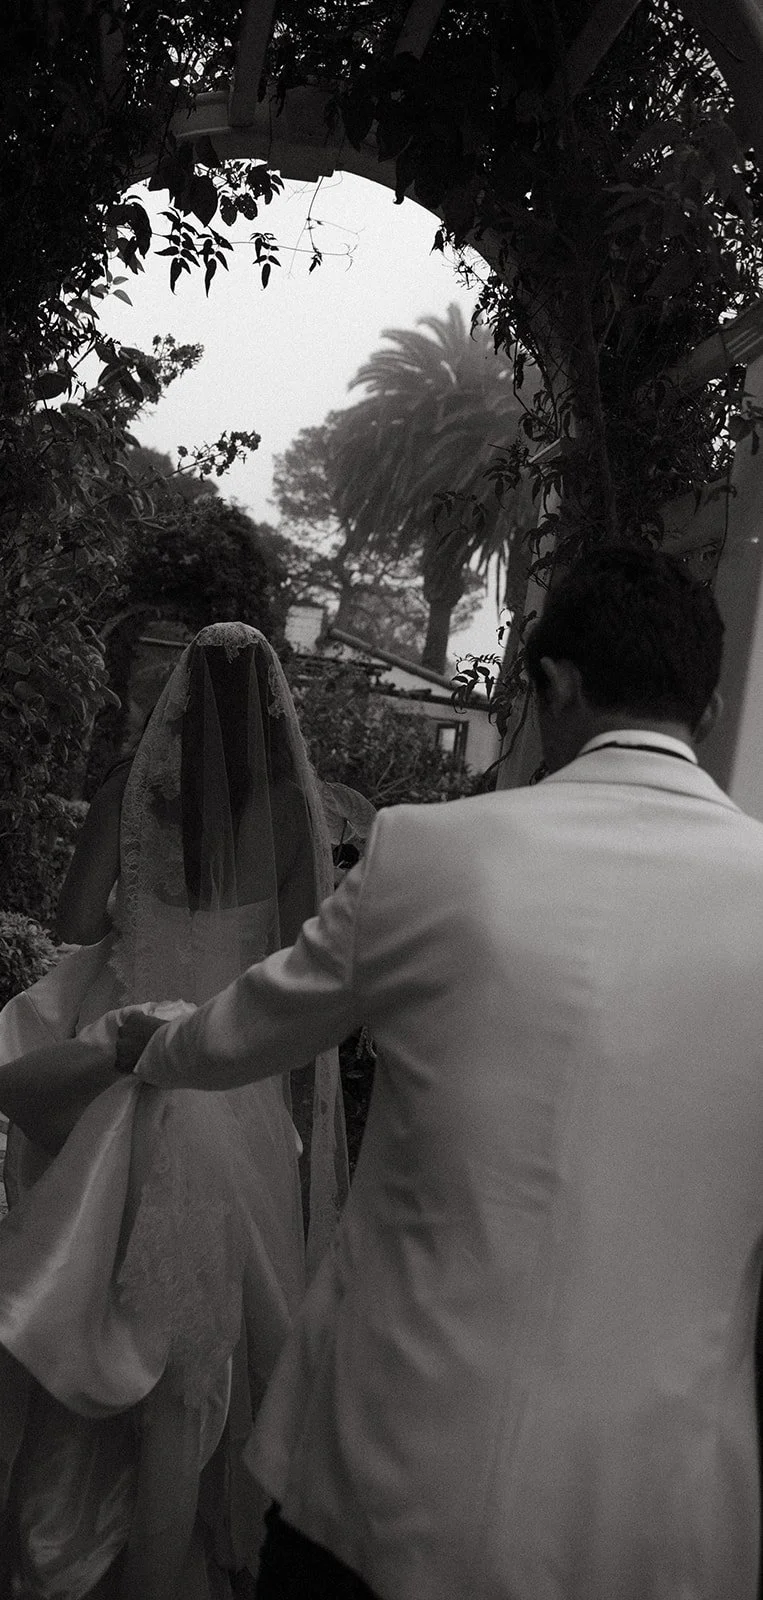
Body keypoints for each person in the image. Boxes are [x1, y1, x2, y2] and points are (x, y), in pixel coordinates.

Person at [117, 548, 763, 1600]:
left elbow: (244, 1030)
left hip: (381, 1481)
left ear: (547, 683)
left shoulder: (430, 855)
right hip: (657, 1528)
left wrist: (146, 1039)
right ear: (710, 702)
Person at [0, 621, 348, 1600]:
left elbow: (72, 921)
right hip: (221, 1078)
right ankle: (162, 1547)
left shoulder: (130, 787)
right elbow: (291, 958)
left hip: (113, 1065)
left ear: (179, 700)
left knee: (75, 1293)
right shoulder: (291, 811)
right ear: (272, 707)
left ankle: (51, 1523)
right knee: (199, 1335)